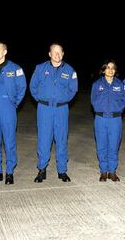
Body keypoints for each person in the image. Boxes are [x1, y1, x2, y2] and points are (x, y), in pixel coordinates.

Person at [30, 43, 78, 182]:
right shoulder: (40, 68)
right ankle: (42, 169)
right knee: (44, 139)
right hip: (44, 109)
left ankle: (62, 171)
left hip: (61, 109)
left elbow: (73, 89)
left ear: (63, 54)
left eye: (59, 52)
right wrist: (41, 99)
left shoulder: (70, 70)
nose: (57, 55)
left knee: (62, 139)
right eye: (54, 52)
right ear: (49, 54)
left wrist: (63, 100)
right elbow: (33, 86)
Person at [0, 42, 26, 185]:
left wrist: (14, 103)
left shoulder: (15, 68)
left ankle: (9, 172)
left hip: (8, 110)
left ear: (5, 51)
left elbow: (22, 87)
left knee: (9, 142)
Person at [91, 60, 125, 182]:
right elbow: (93, 99)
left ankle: (112, 171)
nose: (110, 70)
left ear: (115, 71)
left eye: (113, 68)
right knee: (101, 145)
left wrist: (118, 110)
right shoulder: (97, 84)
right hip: (100, 118)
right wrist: (99, 109)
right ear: (103, 70)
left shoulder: (120, 84)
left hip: (115, 119)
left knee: (114, 145)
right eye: (107, 67)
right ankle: (103, 171)